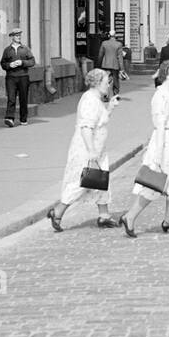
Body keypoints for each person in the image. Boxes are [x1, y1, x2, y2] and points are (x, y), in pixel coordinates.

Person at [121, 62, 169, 236]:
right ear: (167, 74)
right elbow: (159, 125)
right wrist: (158, 155)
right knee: (155, 184)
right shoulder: (160, 96)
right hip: (164, 144)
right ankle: (130, 216)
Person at [47, 68, 120, 230]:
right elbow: (86, 127)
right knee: (81, 181)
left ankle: (104, 215)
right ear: (97, 83)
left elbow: (100, 121)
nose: (108, 85)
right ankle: (58, 211)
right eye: (106, 81)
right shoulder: (89, 100)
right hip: (87, 148)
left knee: (101, 179)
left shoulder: (97, 99)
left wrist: (110, 107)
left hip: (98, 147)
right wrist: (91, 150)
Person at [0, 27, 35, 126]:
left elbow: (32, 62)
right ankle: (9, 118)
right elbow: (2, 63)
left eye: (19, 35)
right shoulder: (7, 50)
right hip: (11, 77)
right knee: (11, 98)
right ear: (12, 37)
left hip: (23, 77)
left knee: (23, 98)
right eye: (16, 35)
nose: (18, 37)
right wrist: (9, 65)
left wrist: (22, 62)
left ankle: (23, 118)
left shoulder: (25, 49)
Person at [97, 29, 125, 98]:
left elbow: (100, 55)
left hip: (105, 64)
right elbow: (120, 58)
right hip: (115, 65)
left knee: (106, 80)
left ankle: (106, 95)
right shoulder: (119, 44)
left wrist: (98, 65)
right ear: (115, 36)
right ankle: (116, 95)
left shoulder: (104, 43)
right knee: (115, 80)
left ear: (109, 36)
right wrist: (122, 69)